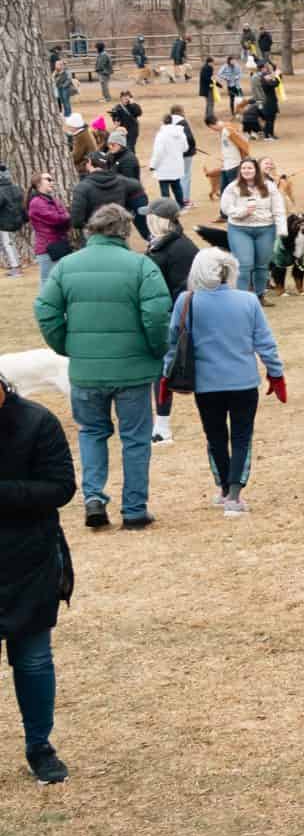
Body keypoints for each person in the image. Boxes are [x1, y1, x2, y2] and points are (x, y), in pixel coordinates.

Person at [34, 203, 171, 530]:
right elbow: (156, 317)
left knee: (92, 433)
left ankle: (94, 497)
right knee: (136, 438)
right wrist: (156, 349)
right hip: (133, 370)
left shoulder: (66, 267)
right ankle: (134, 508)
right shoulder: (141, 266)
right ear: (124, 232)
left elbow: (46, 310)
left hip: (87, 370)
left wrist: (66, 345)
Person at [166, 246, 284, 514]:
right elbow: (265, 343)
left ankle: (222, 487)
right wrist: (275, 372)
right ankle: (234, 493)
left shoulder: (186, 301)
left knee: (215, 435)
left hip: (206, 384)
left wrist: (165, 376)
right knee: (242, 435)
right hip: (243, 381)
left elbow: (173, 343)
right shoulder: (248, 301)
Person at [0, 362, 73, 782]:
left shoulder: (36, 421)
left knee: (32, 660)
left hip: (31, 557)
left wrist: (4, 494)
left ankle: (39, 746)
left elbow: (61, 487)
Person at [220, 157, 288, 301]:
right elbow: (226, 208)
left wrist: (282, 229)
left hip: (265, 229)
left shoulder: (269, 186)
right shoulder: (232, 187)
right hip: (240, 229)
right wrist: (244, 211)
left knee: (262, 265)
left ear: (256, 170)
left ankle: (259, 295)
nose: (247, 171)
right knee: (244, 264)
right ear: (240, 170)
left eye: (250, 168)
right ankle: (241, 298)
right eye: (244, 168)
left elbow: (278, 209)